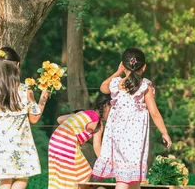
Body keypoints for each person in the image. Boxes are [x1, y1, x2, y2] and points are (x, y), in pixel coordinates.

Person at [92, 47, 172, 189]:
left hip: (117, 136)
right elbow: (154, 112)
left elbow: (103, 87)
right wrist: (164, 132)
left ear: (123, 66)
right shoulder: (144, 86)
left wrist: (118, 72)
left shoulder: (117, 84)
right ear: (144, 67)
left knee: (133, 180)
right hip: (134, 138)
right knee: (124, 180)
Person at [0, 47, 49, 189]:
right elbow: (34, 119)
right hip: (21, 144)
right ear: (18, 66)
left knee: (5, 181)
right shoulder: (25, 90)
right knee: (22, 178)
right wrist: (42, 99)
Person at [47, 93, 112, 189]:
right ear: (106, 107)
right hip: (66, 145)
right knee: (84, 176)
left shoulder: (84, 113)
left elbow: (60, 119)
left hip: (54, 142)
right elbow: (97, 147)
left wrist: (75, 128)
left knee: (62, 175)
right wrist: (108, 164)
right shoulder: (97, 123)